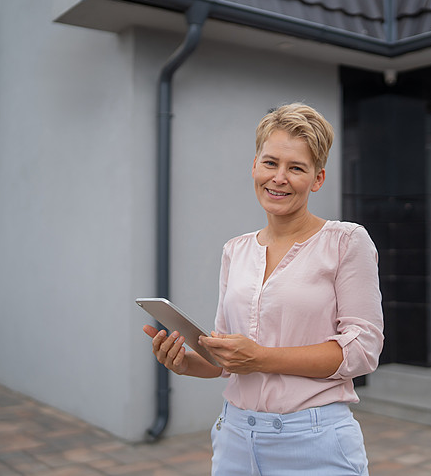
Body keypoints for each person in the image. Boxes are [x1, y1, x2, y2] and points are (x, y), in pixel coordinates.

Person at [143, 103, 384, 475]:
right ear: (254, 166)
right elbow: (227, 363)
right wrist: (185, 362)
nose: (279, 178)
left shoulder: (346, 242)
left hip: (315, 443)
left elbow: (363, 350)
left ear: (317, 179)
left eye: (296, 168)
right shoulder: (235, 250)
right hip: (235, 440)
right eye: (270, 163)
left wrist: (261, 358)